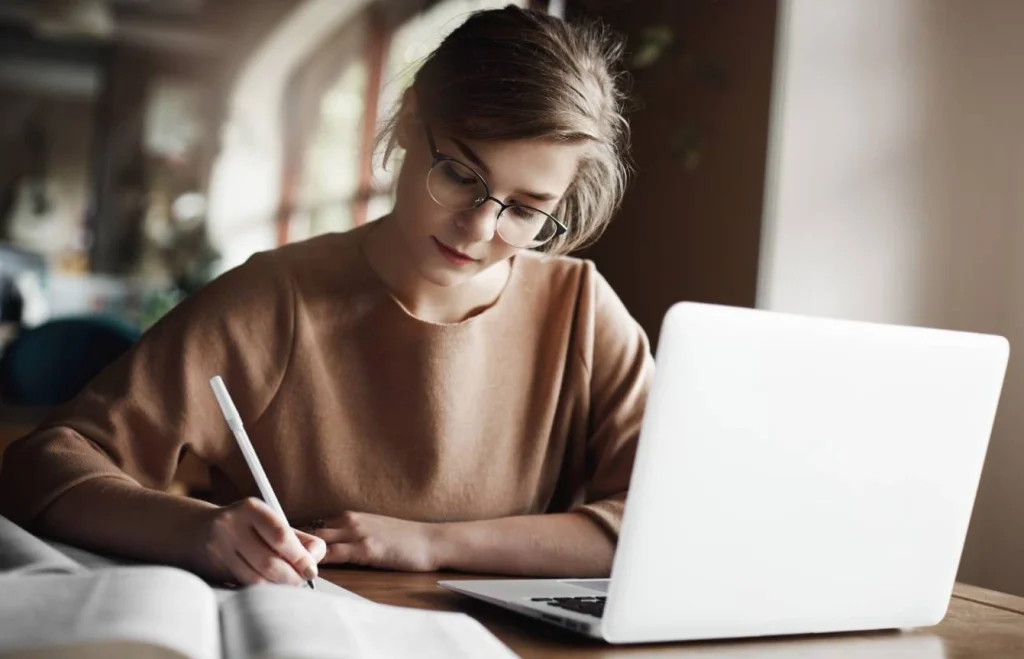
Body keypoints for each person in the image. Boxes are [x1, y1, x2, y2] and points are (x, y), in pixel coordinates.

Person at [0, 5, 653, 588]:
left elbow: (655, 524)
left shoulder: (583, 314)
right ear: (408, 123)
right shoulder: (275, 297)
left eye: (526, 209)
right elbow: (43, 466)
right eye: (459, 173)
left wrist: (429, 543)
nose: (480, 229)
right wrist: (193, 530)